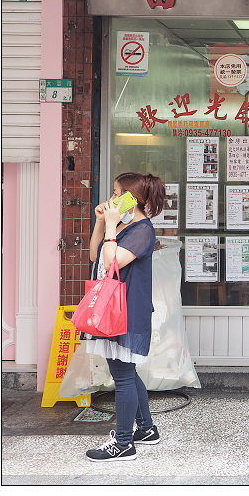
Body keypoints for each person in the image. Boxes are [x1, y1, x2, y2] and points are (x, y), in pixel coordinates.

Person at [85, 172, 166, 462]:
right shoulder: (125, 226)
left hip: (126, 311)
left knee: (122, 376)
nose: (113, 198)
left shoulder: (142, 230)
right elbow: (95, 255)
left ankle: (123, 443)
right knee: (126, 371)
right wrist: (101, 223)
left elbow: (111, 262)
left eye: (118, 193)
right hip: (117, 309)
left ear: (134, 200)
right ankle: (145, 429)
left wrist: (110, 226)